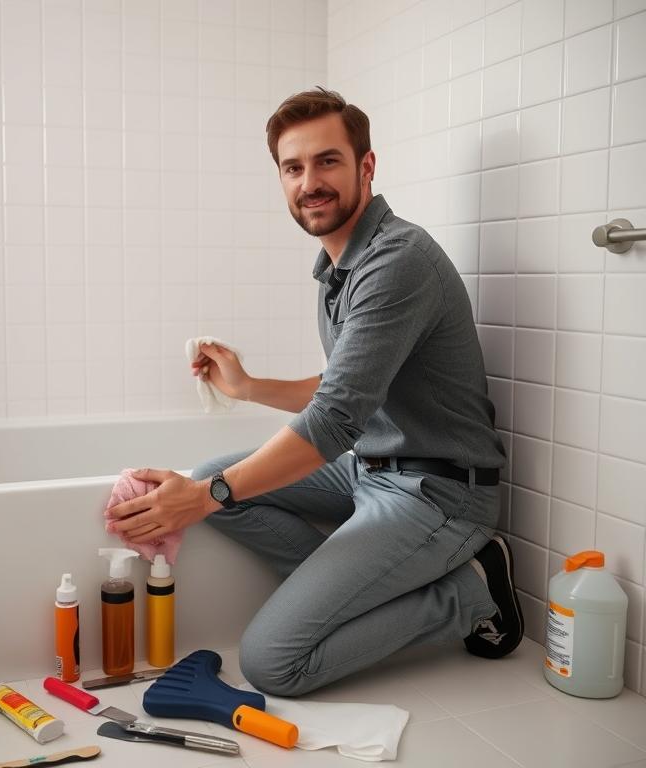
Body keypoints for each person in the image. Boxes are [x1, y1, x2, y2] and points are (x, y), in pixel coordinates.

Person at [105, 88, 522, 697]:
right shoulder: (338, 269)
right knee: (219, 473)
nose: (310, 182)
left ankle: (471, 592)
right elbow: (345, 387)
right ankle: (346, 593)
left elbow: (333, 422)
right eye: (293, 167)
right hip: (372, 474)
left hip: (438, 494)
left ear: (366, 167)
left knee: (272, 662)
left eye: (327, 161)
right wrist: (245, 387)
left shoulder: (396, 262)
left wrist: (202, 499)